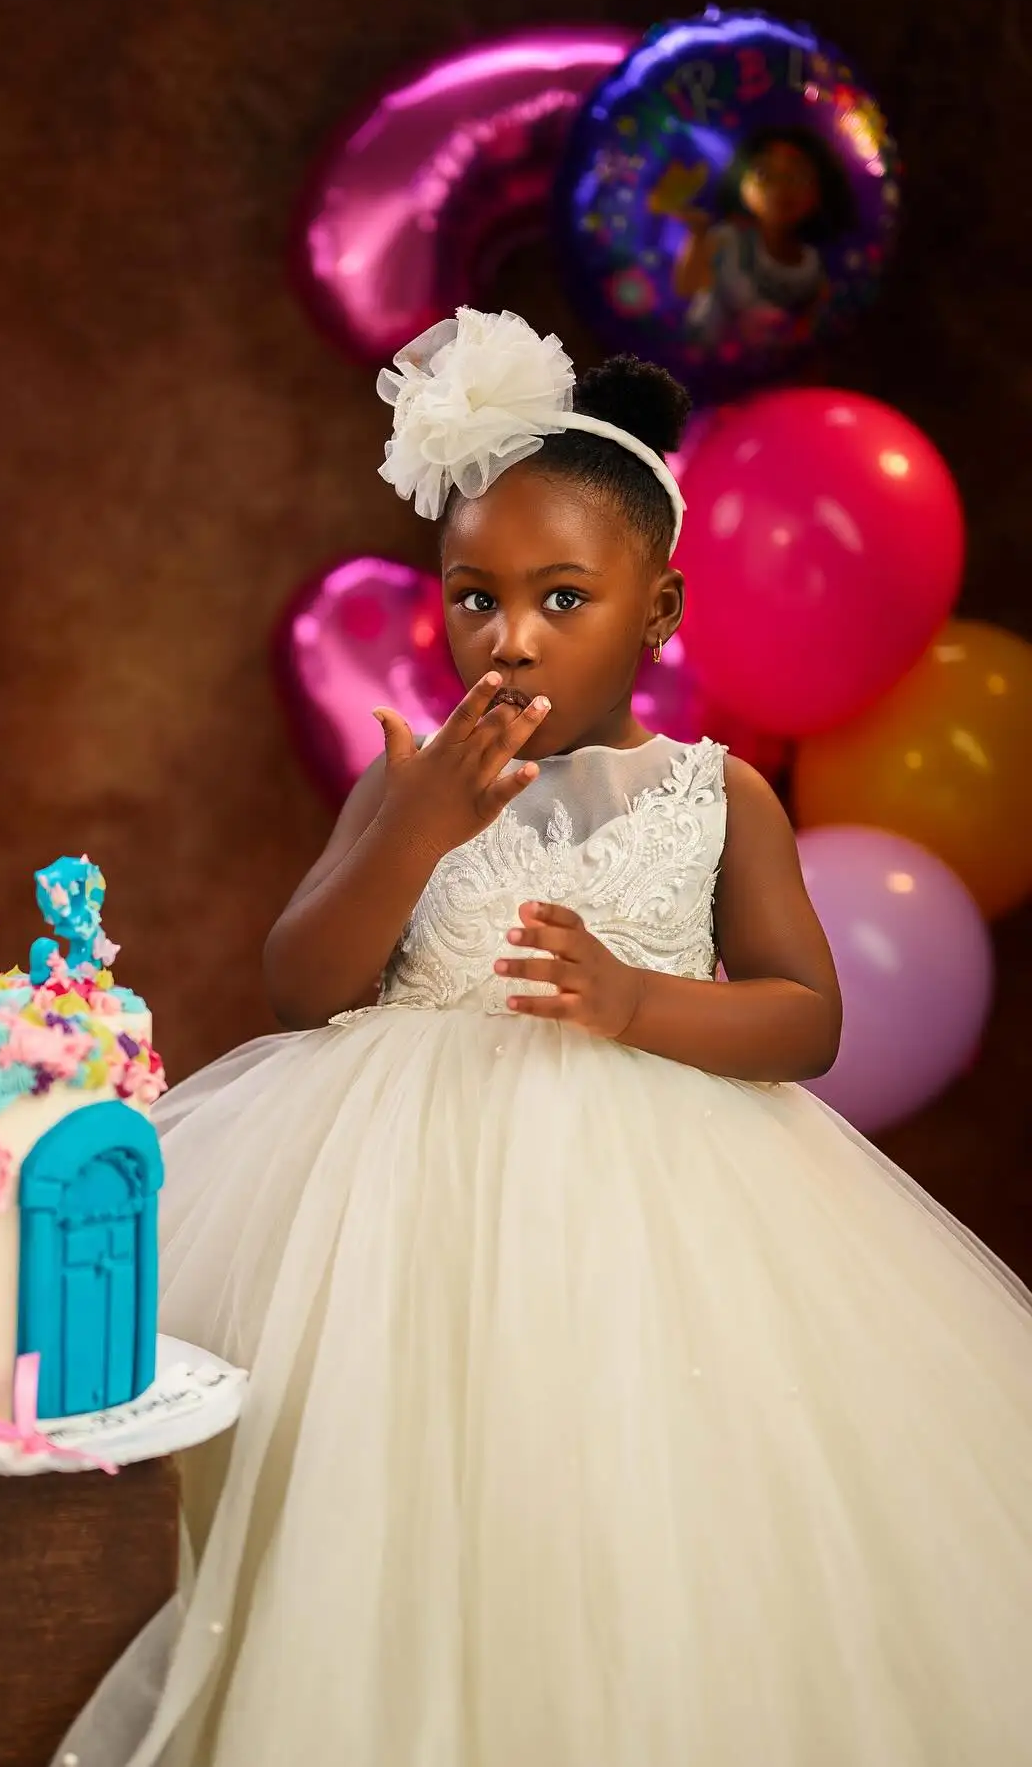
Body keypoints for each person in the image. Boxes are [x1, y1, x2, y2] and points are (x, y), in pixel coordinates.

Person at [58, 309, 1032, 1766]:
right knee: (386, 1503)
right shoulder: (409, 775)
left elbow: (806, 1016)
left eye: (563, 596)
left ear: (660, 607)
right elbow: (301, 982)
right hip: (390, 1205)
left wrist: (638, 1001)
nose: (507, 635)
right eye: (472, 596)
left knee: (626, 1503)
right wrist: (420, 830)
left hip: (658, 1209)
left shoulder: (719, 797)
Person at [659, 127, 855, 354]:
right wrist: (698, 235)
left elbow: (811, 327)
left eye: (797, 176)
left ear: (820, 191)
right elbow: (687, 287)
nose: (780, 187)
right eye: (763, 174)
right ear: (740, 182)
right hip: (709, 356)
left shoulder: (812, 265)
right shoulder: (728, 238)